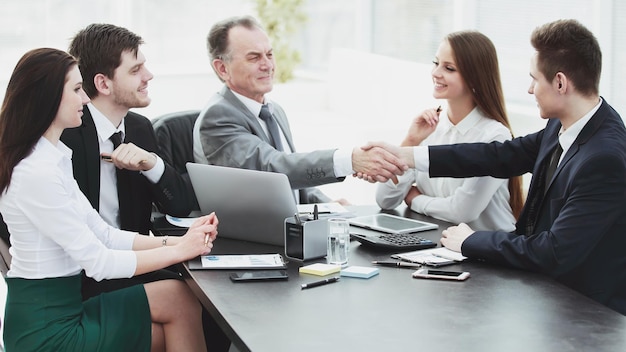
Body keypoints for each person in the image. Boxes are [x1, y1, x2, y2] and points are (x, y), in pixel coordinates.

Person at [362, 19, 626, 315]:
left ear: (561, 82)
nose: (529, 89)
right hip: (544, 296)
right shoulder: (561, 124)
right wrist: (408, 154)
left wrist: (471, 241)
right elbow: (497, 156)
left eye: (534, 79)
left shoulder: (605, 158)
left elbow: (555, 252)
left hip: (589, 314)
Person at [0, 47, 217, 351]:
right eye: (77, 89)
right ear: (47, 97)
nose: (86, 99)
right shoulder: (36, 173)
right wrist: (181, 250)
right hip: (46, 328)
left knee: (178, 297)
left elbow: (104, 235)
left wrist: (182, 241)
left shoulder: (53, 159)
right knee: (177, 316)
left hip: (67, 307)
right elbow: (98, 261)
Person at [62, 23, 232, 351]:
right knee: (190, 299)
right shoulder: (68, 133)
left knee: (215, 301)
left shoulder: (139, 128)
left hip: (131, 263)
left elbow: (180, 205)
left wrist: (151, 164)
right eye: (137, 69)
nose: (149, 76)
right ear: (103, 83)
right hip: (83, 274)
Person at [193, 15, 407, 205]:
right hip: (252, 242)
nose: (268, 65)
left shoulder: (274, 111)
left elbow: (295, 182)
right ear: (222, 68)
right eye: (254, 57)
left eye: (269, 54)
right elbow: (273, 169)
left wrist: (331, 206)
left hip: (288, 231)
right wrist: (349, 160)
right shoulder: (217, 116)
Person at [376, 31, 523, 232]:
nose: (436, 73)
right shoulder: (429, 127)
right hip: (439, 249)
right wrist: (411, 140)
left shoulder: (494, 136)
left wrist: (415, 199)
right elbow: (385, 199)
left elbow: (463, 212)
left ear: (474, 78)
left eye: (449, 68)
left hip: (490, 256)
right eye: (435, 63)